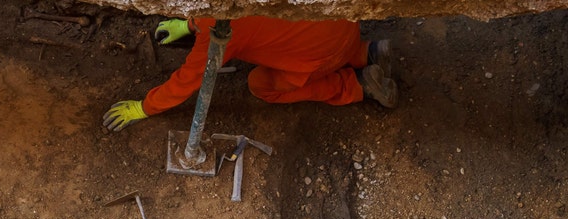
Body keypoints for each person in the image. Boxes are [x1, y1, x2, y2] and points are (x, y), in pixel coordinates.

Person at [103, 17, 397, 131]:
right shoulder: (224, 15)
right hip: (342, 24)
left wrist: (144, 107)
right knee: (301, 34)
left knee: (261, 84)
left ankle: (356, 85)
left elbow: (188, 80)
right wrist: (191, 25)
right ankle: (365, 52)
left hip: (323, 54)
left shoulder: (220, 33)